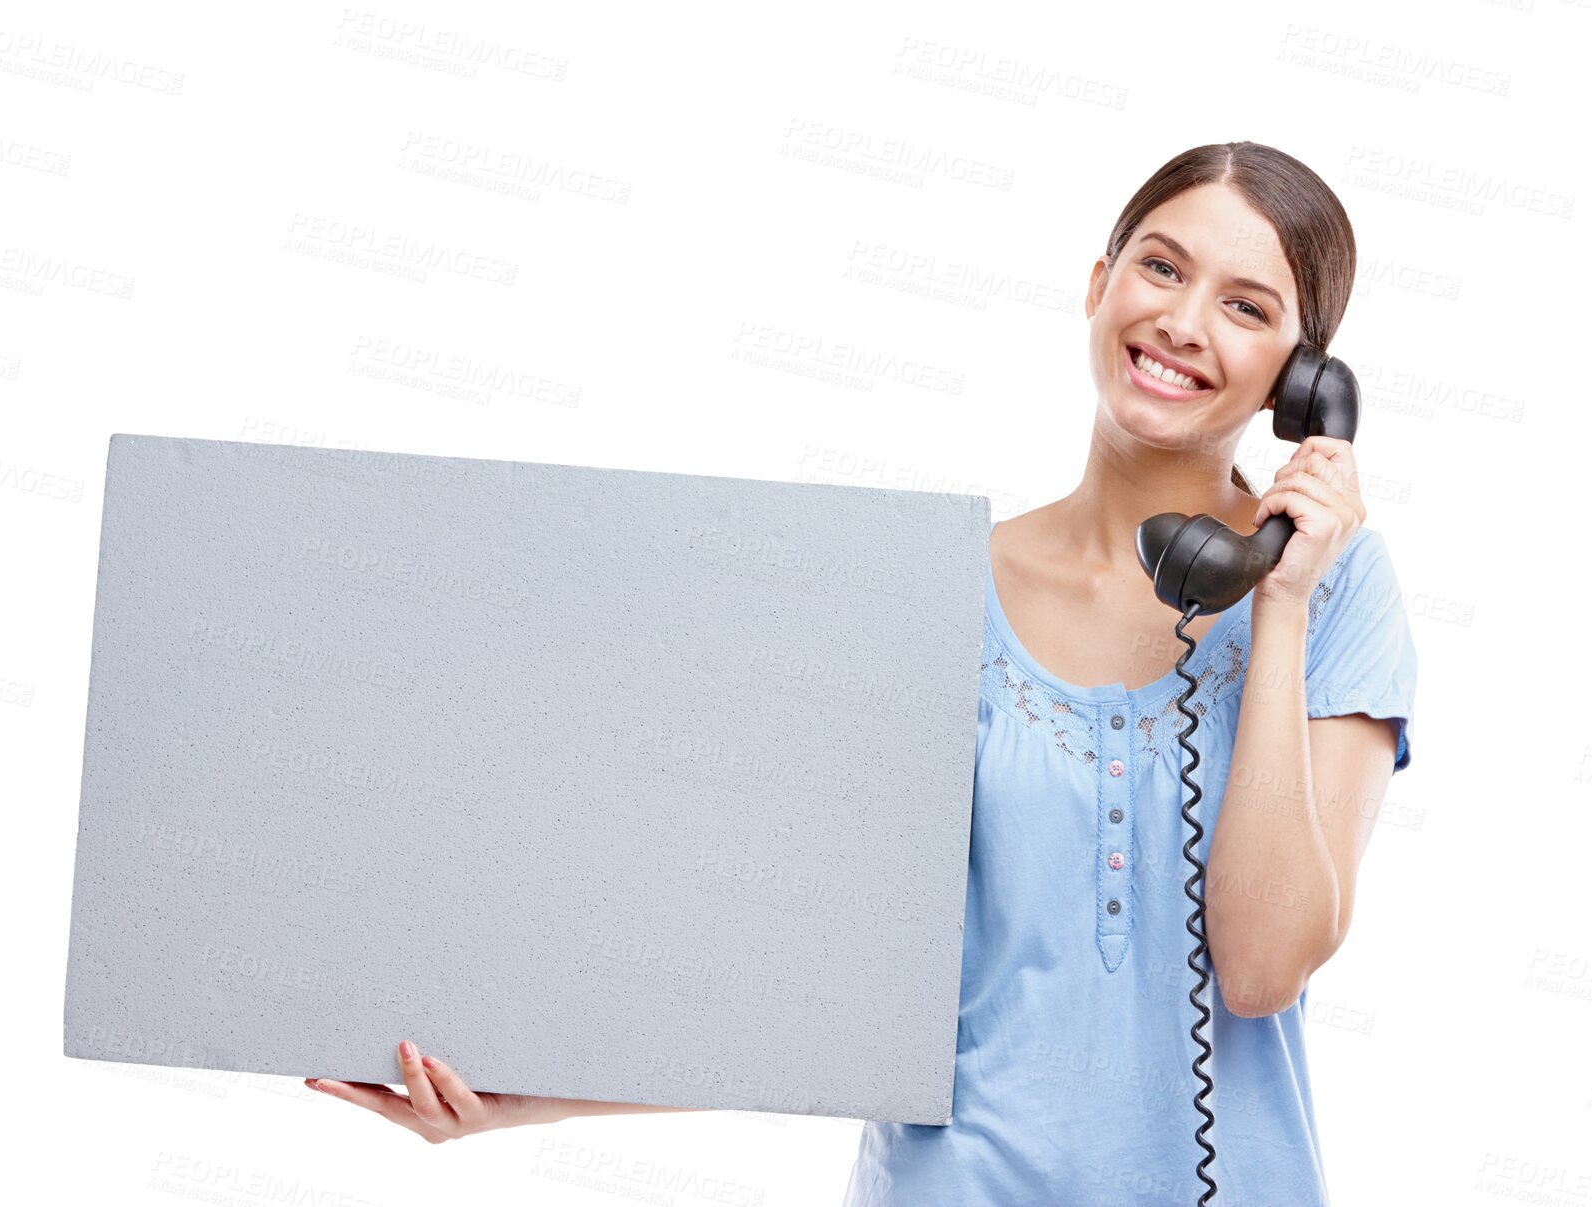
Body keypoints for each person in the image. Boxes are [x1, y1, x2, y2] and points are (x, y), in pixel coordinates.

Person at [304, 141, 1418, 1205]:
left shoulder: (1335, 594)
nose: (1179, 320)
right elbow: (806, 982)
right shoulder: (928, 587)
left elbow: (1263, 968)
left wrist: (1277, 598)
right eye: (1160, 267)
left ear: (1303, 382)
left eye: (1245, 304)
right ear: (1098, 282)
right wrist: (520, 1097)